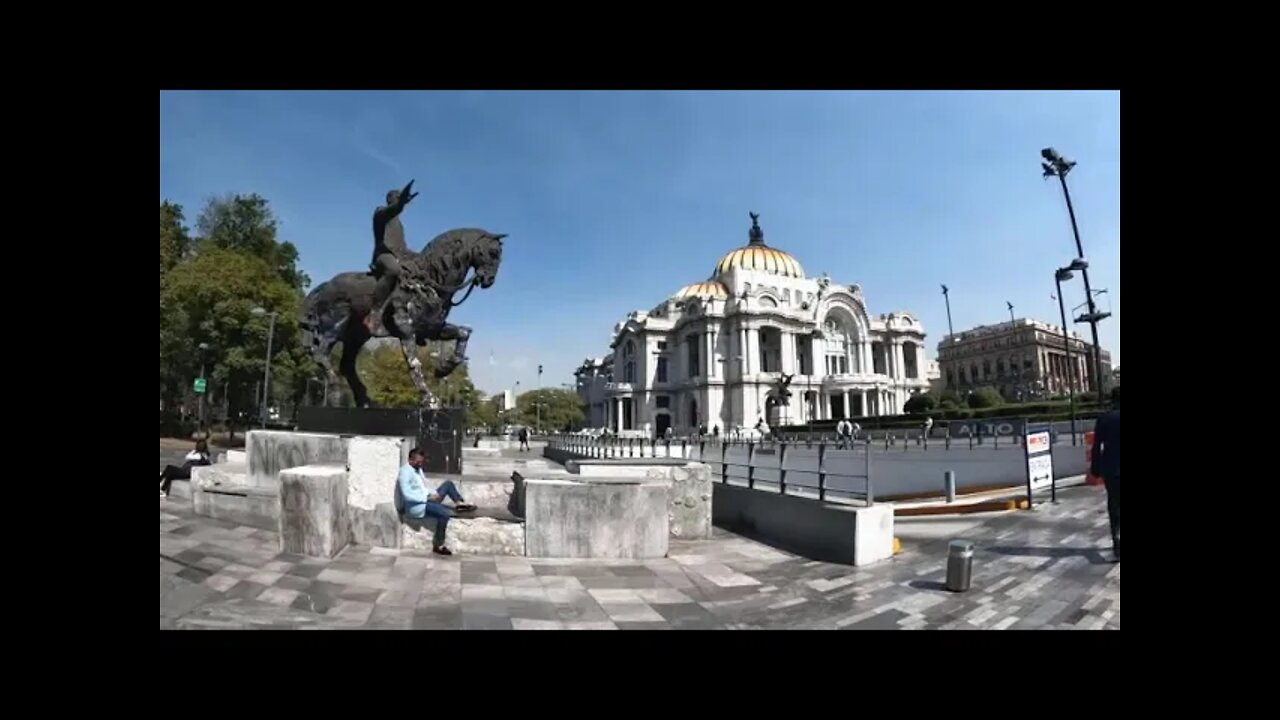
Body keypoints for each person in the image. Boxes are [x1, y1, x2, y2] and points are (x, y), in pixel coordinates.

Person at [395, 447, 476, 556]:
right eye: (418, 462)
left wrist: (434, 494)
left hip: (428, 499)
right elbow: (407, 495)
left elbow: (424, 486)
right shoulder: (404, 472)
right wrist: (427, 498)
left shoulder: (417, 469)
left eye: (422, 462)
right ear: (411, 460)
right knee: (444, 515)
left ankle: (459, 504)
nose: (420, 464)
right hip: (418, 506)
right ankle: (439, 545)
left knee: (448, 484)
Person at [365, 180, 420, 333]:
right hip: (383, 255)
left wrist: (421, 257)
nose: (398, 202)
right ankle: (374, 312)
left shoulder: (399, 225)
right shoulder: (380, 213)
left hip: (399, 256)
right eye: (397, 198)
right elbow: (394, 209)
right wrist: (401, 203)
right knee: (393, 270)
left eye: (399, 199)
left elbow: (403, 249)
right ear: (391, 200)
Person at [1090, 387, 1121, 562]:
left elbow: (1096, 446)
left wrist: (1095, 468)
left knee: (1114, 504)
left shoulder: (1104, 418)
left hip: (1111, 468)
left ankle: (1117, 540)